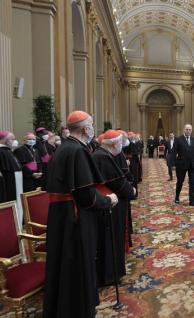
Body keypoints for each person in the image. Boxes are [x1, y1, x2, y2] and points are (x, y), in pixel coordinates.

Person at [43, 110, 119, 318]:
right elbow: (86, 195)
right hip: (74, 217)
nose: (93, 128)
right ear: (86, 129)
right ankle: (77, 308)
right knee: (77, 261)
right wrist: (107, 200)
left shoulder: (64, 147)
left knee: (64, 262)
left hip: (61, 214)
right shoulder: (77, 151)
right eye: (92, 124)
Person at [92, 130, 136, 287]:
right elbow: (117, 182)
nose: (121, 146)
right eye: (119, 143)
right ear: (113, 144)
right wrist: (131, 191)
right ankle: (110, 274)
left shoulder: (102, 154)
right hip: (110, 205)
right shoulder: (102, 157)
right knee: (110, 240)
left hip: (109, 202)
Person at [173, 124, 194, 205]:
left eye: (189, 129)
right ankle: (177, 196)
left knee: (192, 183)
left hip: (192, 165)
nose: (188, 131)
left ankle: (192, 200)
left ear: (191, 130)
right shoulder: (178, 139)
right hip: (181, 164)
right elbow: (174, 152)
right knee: (180, 181)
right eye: (187, 129)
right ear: (184, 130)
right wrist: (173, 164)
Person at [0, 131, 21, 203]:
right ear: (3, 139)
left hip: (15, 181)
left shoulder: (8, 151)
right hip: (8, 183)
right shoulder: (1, 151)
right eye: (12, 139)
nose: (14, 141)